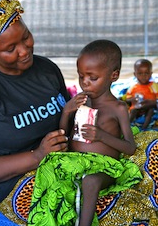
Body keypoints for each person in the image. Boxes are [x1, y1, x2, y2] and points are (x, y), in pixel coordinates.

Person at [0, 0, 70, 225]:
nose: (24, 50)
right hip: (16, 182)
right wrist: (38, 156)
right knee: (75, 206)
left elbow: (68, 115)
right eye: (10, 49)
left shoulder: (47, 69)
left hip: (66, 159)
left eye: (26, 37)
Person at [28, 40, 142, 226]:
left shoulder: (118, 108)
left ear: (114, 76)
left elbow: (130, 148)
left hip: (104, 167)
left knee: (90, 181)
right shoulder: (80, 102)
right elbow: (64, 136)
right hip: (75, 161)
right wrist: (66, 111)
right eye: (81, 77)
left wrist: (101, 136)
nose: (85, 84)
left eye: (93, 78)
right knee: (49, 170)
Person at [125, 58, 158, 130]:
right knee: (133, 111)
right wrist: (132, 100)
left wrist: (153, 102)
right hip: (137, 107)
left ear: (151, 73)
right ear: (135, 74)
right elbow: (127, 98)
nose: (143, 76)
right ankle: (127, 126)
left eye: (146, 73)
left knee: (151, 111)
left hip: (149, 106)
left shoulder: (154, 86)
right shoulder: (133, 87)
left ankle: (144, 128)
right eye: (140, 73)